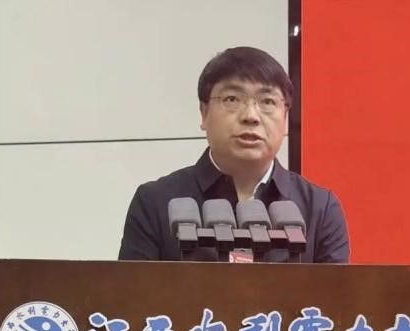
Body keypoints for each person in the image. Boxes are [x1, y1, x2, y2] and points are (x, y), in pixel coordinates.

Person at [118, 46, 349, 263]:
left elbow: (336, 292)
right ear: (204, 113)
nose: (251, 116)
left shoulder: (320, 209)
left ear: (286, 118)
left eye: (267, 101)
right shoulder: (155, 202)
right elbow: (132, 291)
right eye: (232, 99)